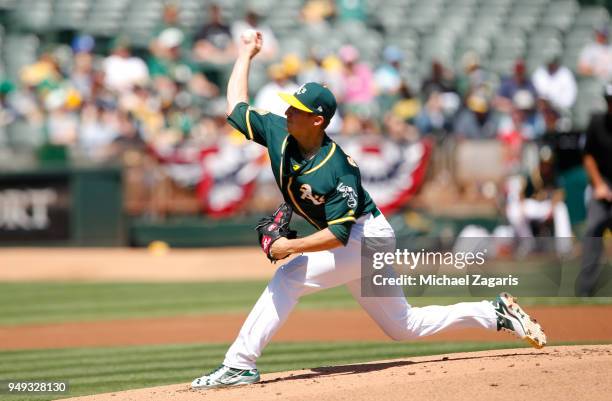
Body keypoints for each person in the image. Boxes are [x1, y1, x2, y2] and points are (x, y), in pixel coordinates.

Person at [190, 31, 547, 390]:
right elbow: (235, 106)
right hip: (358, 240)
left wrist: (291, 247)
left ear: (317, 120)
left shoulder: (338, 168)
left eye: (296, 109)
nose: (287, 111)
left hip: (366, 237)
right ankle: (495, 313)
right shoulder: (279, 131)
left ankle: (239, 365)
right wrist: (246, 55)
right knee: (403, 326)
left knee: (289, 277)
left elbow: (339, 235)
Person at [579, 83, 612, 296]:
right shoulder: (597, 123)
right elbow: (588, 156)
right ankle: (585, 291)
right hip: (602, 185)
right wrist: (600, 184)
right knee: (593, 231)